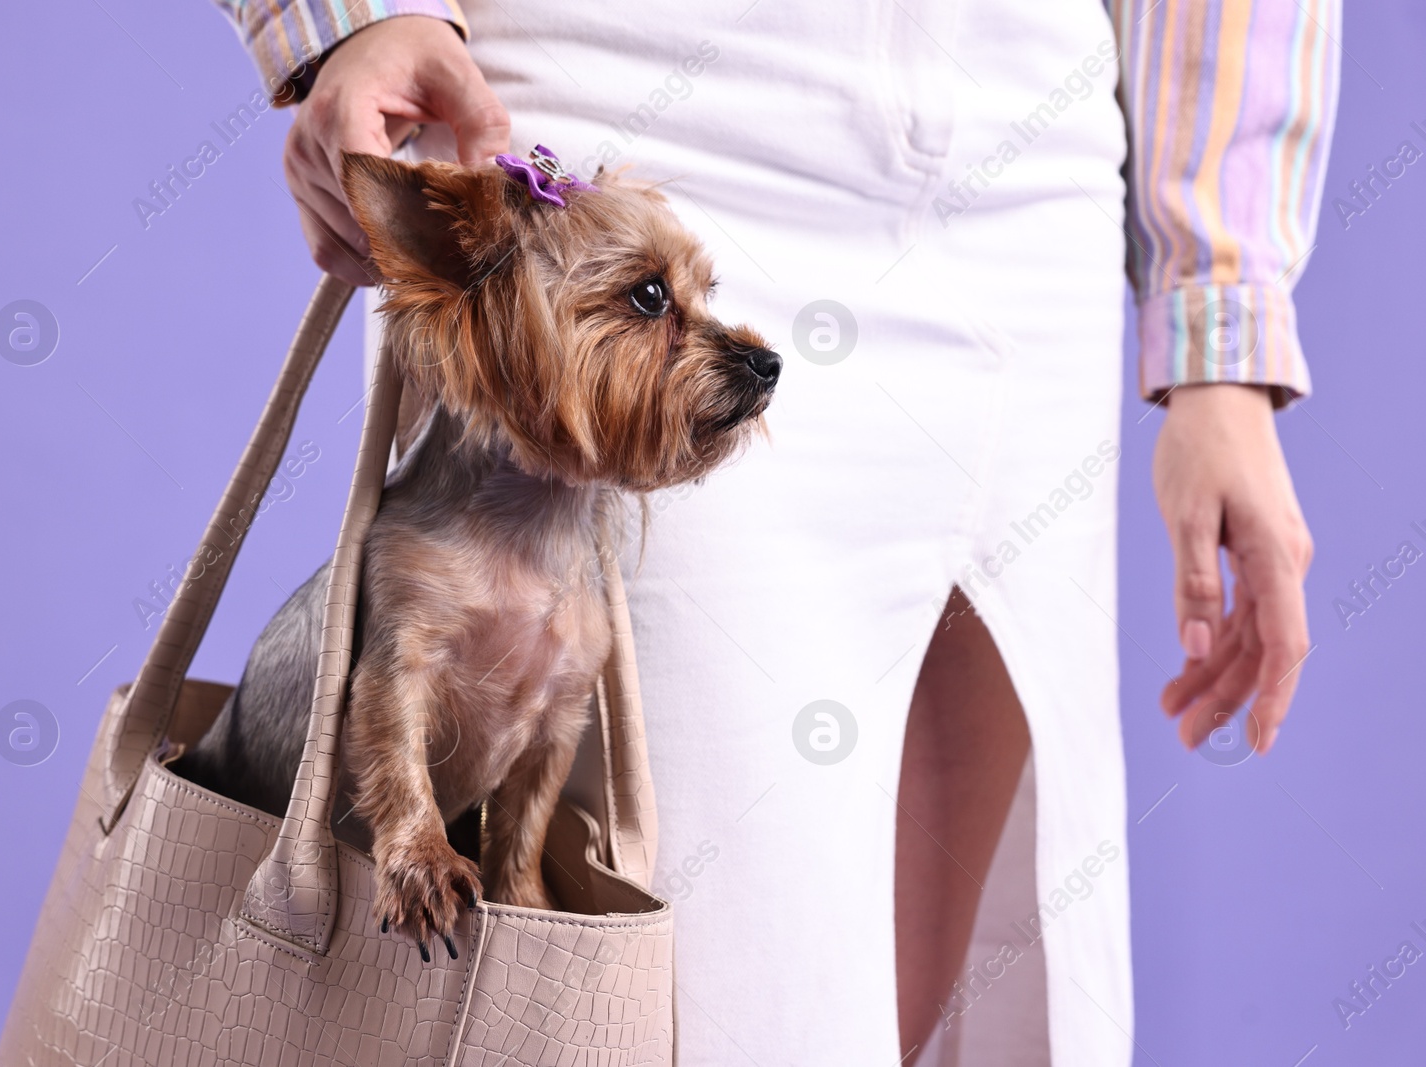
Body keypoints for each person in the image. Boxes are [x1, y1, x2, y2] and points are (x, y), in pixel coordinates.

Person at [205, 1, 1336, 1062]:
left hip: (1030, 179)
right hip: (619, 115)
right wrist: (348, 17)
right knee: (683, 990)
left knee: (955, 1002)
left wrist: (1221, 324)